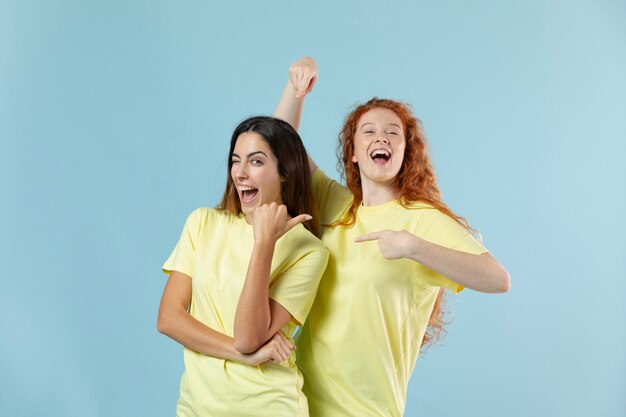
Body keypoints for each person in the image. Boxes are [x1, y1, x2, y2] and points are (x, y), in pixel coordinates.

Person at [274, 57, 511, 417]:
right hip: (297, 402)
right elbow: (280, 146)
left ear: (404, 151)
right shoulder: (337, 205)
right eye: (368, 131)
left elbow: (498, 279)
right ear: (353, 153)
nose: (381, 136)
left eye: (392, 132)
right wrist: (296, 89)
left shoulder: (421, 220)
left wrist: (413, 247)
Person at [157, 116, 329, 417]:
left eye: (256, 162)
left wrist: (264, 242)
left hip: (268, 406)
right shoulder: (202, 223)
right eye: (236, 161)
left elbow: (249, 336)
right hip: (197, 408)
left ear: (285, 172)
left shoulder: (308, 250)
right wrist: (244, 355)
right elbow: (169, 319)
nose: (241, 173)